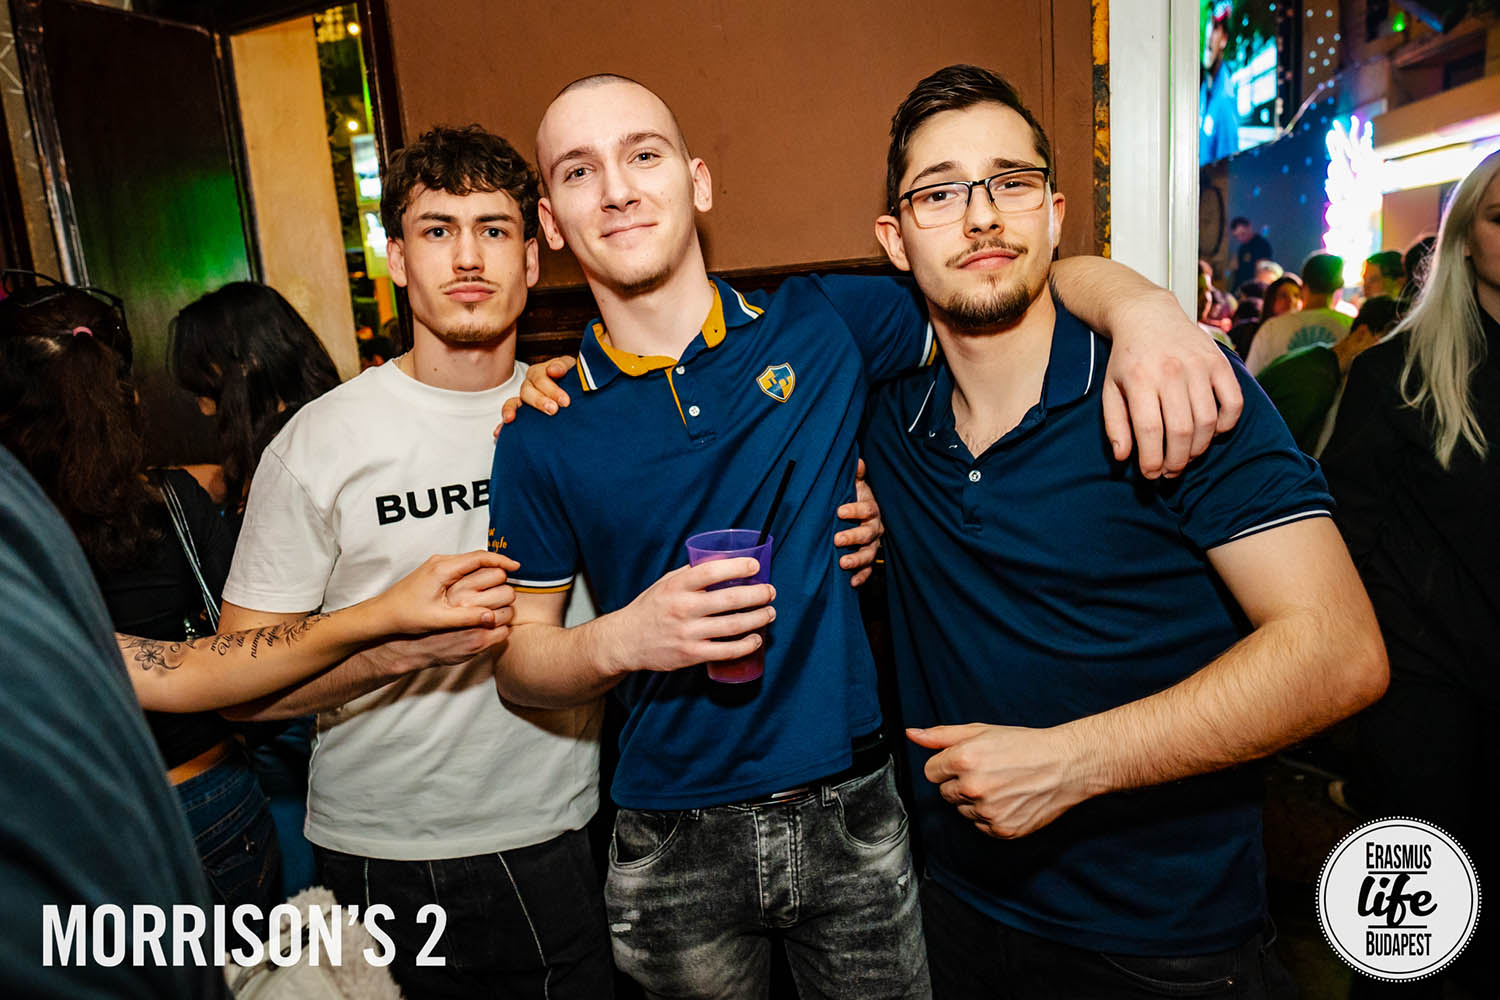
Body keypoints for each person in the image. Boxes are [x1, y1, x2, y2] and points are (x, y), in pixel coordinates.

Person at [489, 72, 1243, 999]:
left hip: (853, 808)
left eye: (643, 155)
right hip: (668, 837)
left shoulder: (824, 323)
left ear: (698, 182)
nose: (617, 189)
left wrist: (1145, 310)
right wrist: (624, 637)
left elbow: (1007, 278)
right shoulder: (543, 425)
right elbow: (519, 664)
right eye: (579, 171)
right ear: (551, 223)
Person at [854, 63, 1388, 999]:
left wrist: (1072, 763)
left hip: (1168, 944)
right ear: (896, 240)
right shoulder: (886, 414)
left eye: (1011, 182)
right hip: (951, 915)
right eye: (939, 193)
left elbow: (1339, 653)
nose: (981, 216)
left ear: (1054, 214)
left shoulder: (1172, 387)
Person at [212, 125, 615, 999]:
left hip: (560, 834)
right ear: (397, 258)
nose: (467, 257)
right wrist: (391, 650)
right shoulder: (320, 441)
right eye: (437, 230)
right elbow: (240, 686)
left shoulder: (586, 413)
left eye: (493, 229)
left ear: (532, 257)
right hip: (377, 852)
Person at [1319, 148, 1500, 1000]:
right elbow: (1343, 544)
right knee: (1412, 957)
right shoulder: (1397, 375)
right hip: (1429, 712)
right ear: (1464, 239)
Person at [0, 445, 228, 999]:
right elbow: (178, 666)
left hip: (116, 815)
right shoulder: (164, 498)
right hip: (194, 789)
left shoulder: (27, 517)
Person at [171, 281, 343, 515]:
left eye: (201, 359)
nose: (189, 374)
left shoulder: (294, 446)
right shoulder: (295, 432)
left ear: (249, 360)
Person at [1255, 295, 1397, 453]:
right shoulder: (1314, 379)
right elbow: (1278, 450)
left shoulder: (1319, 361)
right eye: (1385, 347)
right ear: (1362, 334)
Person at [1246, 253, 1351, 373]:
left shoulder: (1271, 328)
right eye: (1283, 296)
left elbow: (1250, 376)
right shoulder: (1351, 328)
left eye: (1295, 295)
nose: (1290, 301)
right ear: (1339, 285)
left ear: (1303, 285)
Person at [1200, 3, 1240, 166]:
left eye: (1215, 27)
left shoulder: (1225, 101)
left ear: (1224, 39)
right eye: (1208, 24)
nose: (1209, 34)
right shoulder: (1206, 87)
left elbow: (1228, 173)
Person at [1230, 217, 1273, 289]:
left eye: (1242, 234)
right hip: (1242, 289)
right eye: (1237, 236)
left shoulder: (1261, 245)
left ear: (1249, 227)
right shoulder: (1242, 248)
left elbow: (1263, 272)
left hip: (1256, 289)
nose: (1240, 238)